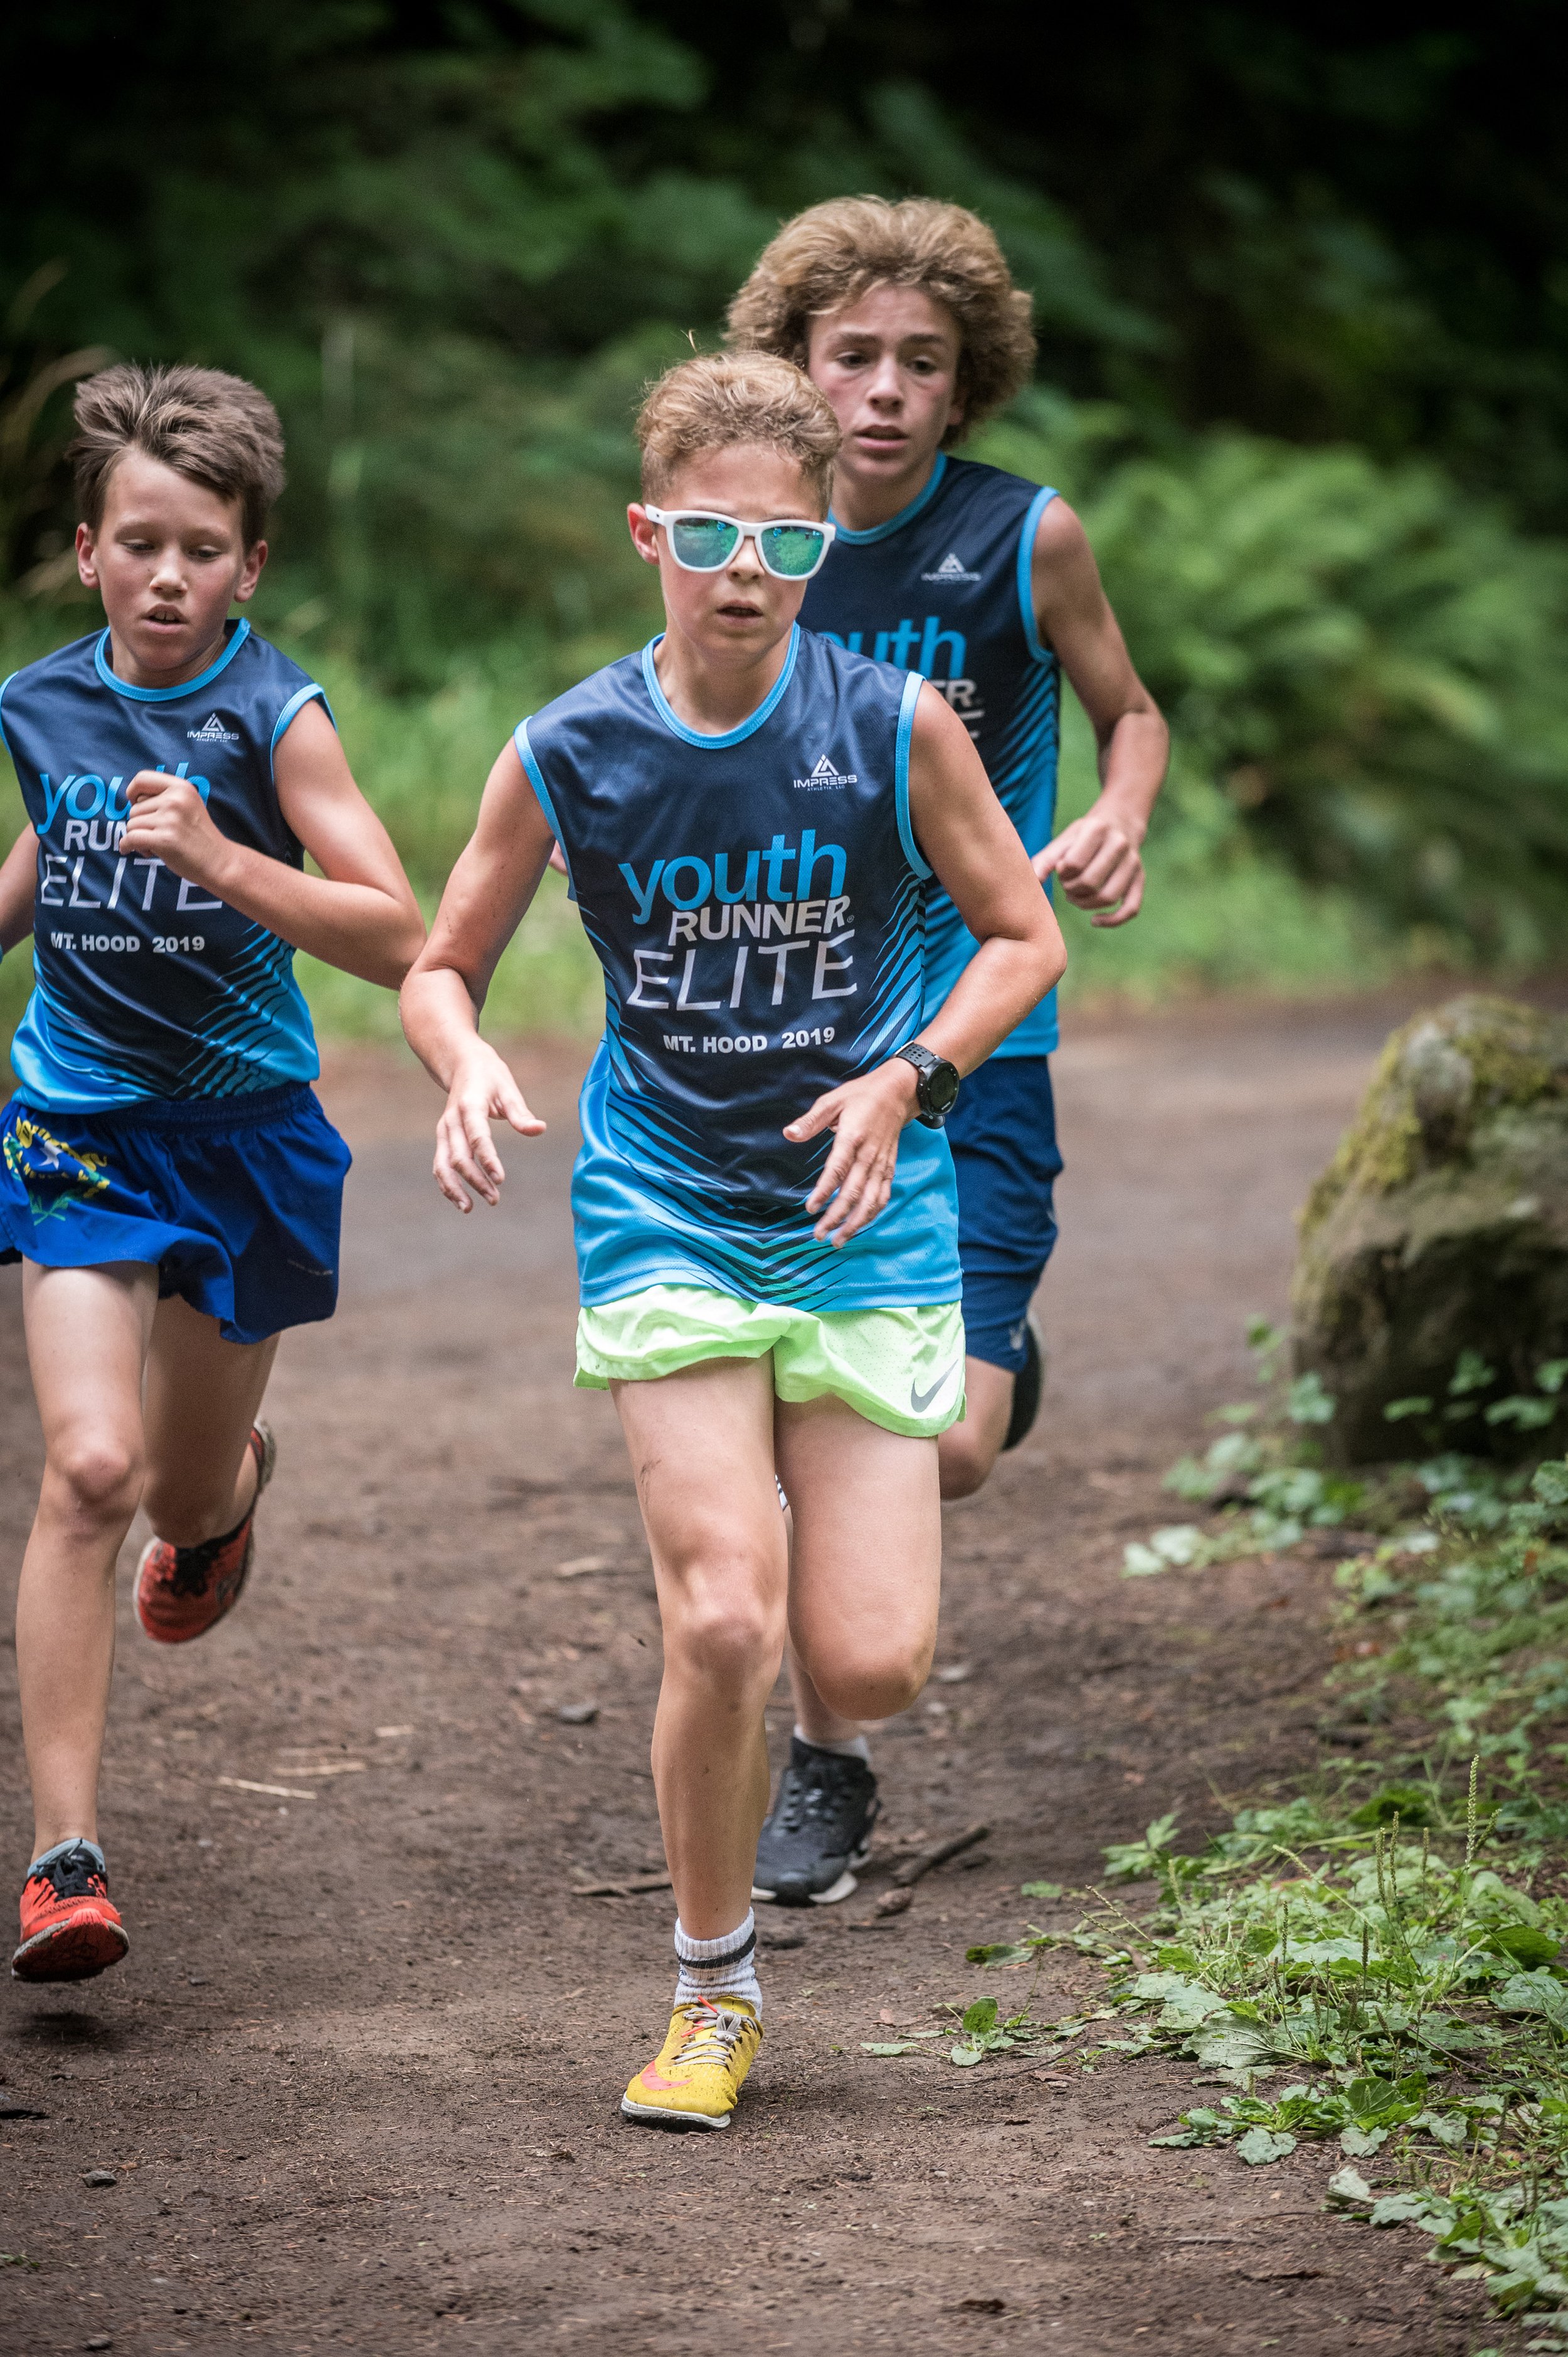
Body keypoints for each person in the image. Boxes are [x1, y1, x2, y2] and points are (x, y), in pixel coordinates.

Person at [400, 350, 1062, 2131]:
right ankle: (711, 1988)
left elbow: (1021, 941)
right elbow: (441, 960)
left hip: (862, 1210)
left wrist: (910, 1077)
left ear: (818, 544)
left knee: (868, 1666)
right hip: (663, 1201)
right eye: (708, 531)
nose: (746, 563)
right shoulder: (570, 744)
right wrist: (463, 1067)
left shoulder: (890, 727)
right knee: (719, 1618)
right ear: (650, 534)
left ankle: (818, 1510)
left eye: (781, 532)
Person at [728, 196, 1169, 1905]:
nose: (886, 392)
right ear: (795, 369)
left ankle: (999, 1366)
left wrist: (1117, 819)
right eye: (852, 358)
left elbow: (1125, 706)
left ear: (966, 378)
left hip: (988, 1027)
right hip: (799, 1037)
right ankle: (825, 1765)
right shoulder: (751, 544)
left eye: (923, 361)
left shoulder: (1022, 539)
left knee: (957, 1446)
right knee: (831, 1419)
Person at [0, 363, 424, 1982]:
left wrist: (230, 859)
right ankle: (64, 1859)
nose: (167, 576)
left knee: (175, 1493)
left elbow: (398, 931)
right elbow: (48, 850)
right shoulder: (39, 704)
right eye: (139, 543)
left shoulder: (275, 715)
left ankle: (236, 1489)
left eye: (204, 549)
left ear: (251, 565)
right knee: (88, 1475)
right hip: (78, 1131)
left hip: (243, 1137)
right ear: (92, 549)